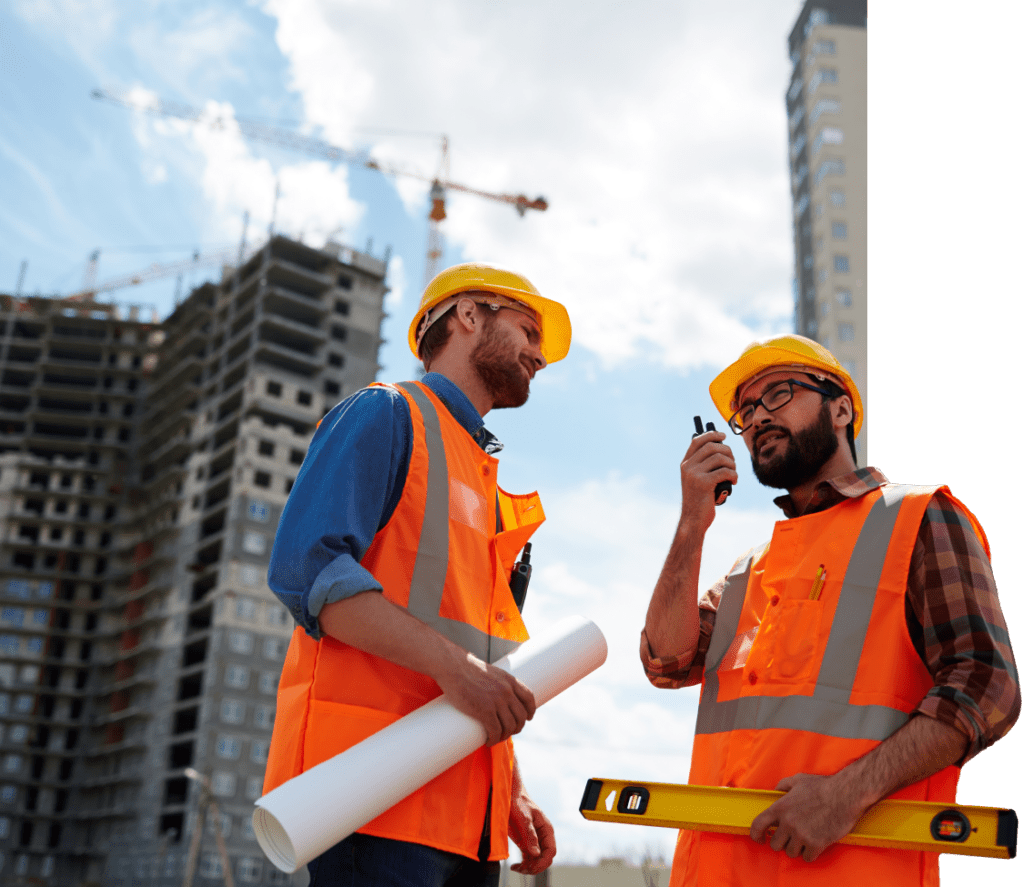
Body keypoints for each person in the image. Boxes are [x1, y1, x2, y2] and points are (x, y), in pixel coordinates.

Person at [641, 334, 1020, 887]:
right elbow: (665, 661)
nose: (758, 418)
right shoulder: (750, 570)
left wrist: (848, 794)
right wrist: (690, 525)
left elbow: (988, 686)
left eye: (779, 394)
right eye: (746, 411)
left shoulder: (917, 518)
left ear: (841, 407)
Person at [263, 263, 572, 887]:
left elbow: (483, 658)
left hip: (470, 818)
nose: (539, 355)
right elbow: (308, 572)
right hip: (374, 796)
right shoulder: (387, 414)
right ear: (467, 316)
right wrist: (459, 671)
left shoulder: (482, 480)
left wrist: (509, 787)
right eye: (526, 330)